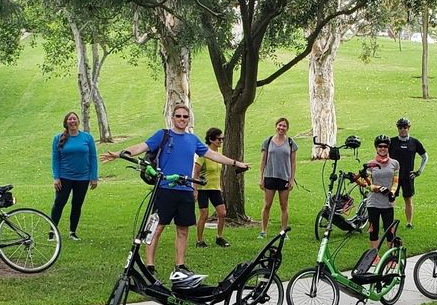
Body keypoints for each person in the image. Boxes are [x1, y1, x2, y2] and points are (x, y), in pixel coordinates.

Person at [104, 108, 248, 276]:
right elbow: (142, 146)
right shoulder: (163, 135)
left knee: (183, 229)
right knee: (157, 228)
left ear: (189, 119)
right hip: (165, 189)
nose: (182, 119)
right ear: (172, 118)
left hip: (185, 190)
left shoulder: (193, 139)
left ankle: (180, 265)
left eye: (185, 116)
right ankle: (150, 265)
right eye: (178, 116)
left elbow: (213, 155)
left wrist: (236, 163)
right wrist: (120, 154)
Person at [50, 112, 98, 240]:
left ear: (78, 121)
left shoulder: (87, 138)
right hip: (64, 177)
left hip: (83, 178)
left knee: (77, 204)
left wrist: (94, 177)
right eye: (70, 119)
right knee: (59, 203)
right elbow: (55, 159)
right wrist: (56, 177)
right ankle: (52, 231)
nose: (72, 121)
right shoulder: (58, 138)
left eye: (74, 119)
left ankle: (72, 232)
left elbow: (93, 157)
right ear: (66, 123)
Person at [356, 134, 399, 254]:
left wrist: (392, 192)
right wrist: (379, 188)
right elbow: (367, 184)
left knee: (389, 231)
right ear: (376, 147)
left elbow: (395, 182)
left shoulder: (395, 163)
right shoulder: (370, 164)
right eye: (380, 146)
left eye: (385, 146)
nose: (382, 148)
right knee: (373, 230)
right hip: (373, 203)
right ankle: (374, 256)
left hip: (388, 203)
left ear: (388, 147)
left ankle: (391, 255)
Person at [258, 116, 298, 237]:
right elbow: (263, 161)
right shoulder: (268, 141)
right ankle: (263, 231)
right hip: (270, 176)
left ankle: (283, 232)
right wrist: (261, 178)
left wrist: (291, 179)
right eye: (280, 125)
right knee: (267, 205)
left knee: (284, 206)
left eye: (284, 126)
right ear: (276, 126)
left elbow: (293, 163)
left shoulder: (291, 143)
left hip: (284, 178)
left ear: (287, 128)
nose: (281, 128)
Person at [388, 117, 427, 229]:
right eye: (400, 127)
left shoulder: (414, 142)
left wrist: (419, 171)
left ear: (409, 128)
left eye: (405, 127)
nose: (402, 130)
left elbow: (425, 156)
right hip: (394, 176)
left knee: (408, 199)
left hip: (408, 176)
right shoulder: (391, 142)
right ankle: (389, 222)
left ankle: (409, 222)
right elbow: (382, 154)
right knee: (391, 199)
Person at [194, 127, 230, 248]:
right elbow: (196, 172)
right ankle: (199, 241)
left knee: (222, 213)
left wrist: (221, 186)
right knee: (204, 214)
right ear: (211, 139)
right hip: (203, 189)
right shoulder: (203, 154)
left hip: (215, 188)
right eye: (219, 139)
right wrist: (195, 189)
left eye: (222, 139)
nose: (221, 141)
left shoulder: (218, 155)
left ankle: (219, 237)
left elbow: (218, 173)